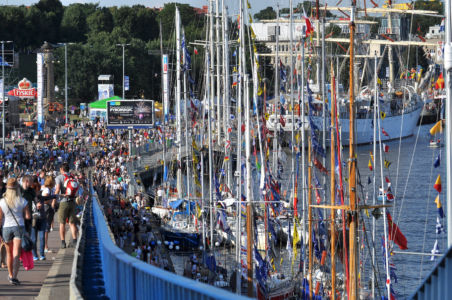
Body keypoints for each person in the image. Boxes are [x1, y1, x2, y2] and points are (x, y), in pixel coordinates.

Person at [0, 178, 31, 285]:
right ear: (17, 188)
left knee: (9, 253)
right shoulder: (22, 201)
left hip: (6, 228)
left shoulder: (2, 201)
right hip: (19, 227)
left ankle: (10, 274)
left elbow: (0, 219)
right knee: (16, 253)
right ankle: (15, 276)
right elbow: (28, 216)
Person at [55, 163, 78, 248]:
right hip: (72, 201)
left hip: (63, 202)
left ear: (62, 169)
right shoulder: (72, 177)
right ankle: (75, 240)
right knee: (72, 223)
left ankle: (63, 242)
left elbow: (57, 189)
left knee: (62, 223)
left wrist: (54, 198)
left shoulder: (59, 177)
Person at [42, 176, 56, 253]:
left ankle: (45, 246)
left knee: (46, 228)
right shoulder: (47, 190)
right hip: (46, 209)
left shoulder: (48, 189)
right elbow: (44, 200)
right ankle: (45, 247)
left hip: (47, 209)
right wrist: (51, 199)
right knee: (46, 229)